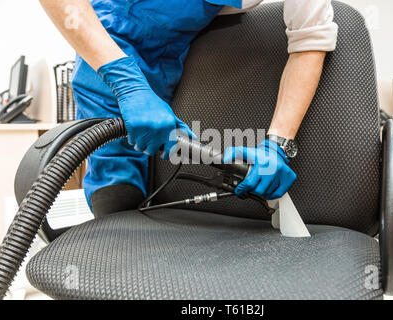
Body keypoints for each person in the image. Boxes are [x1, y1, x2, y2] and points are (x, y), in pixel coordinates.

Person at [39, 0, 338, 217]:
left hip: (168, 57)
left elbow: (310, 39)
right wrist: (124, 78)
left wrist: (277, 145)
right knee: (116, 192)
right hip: (105, 51)